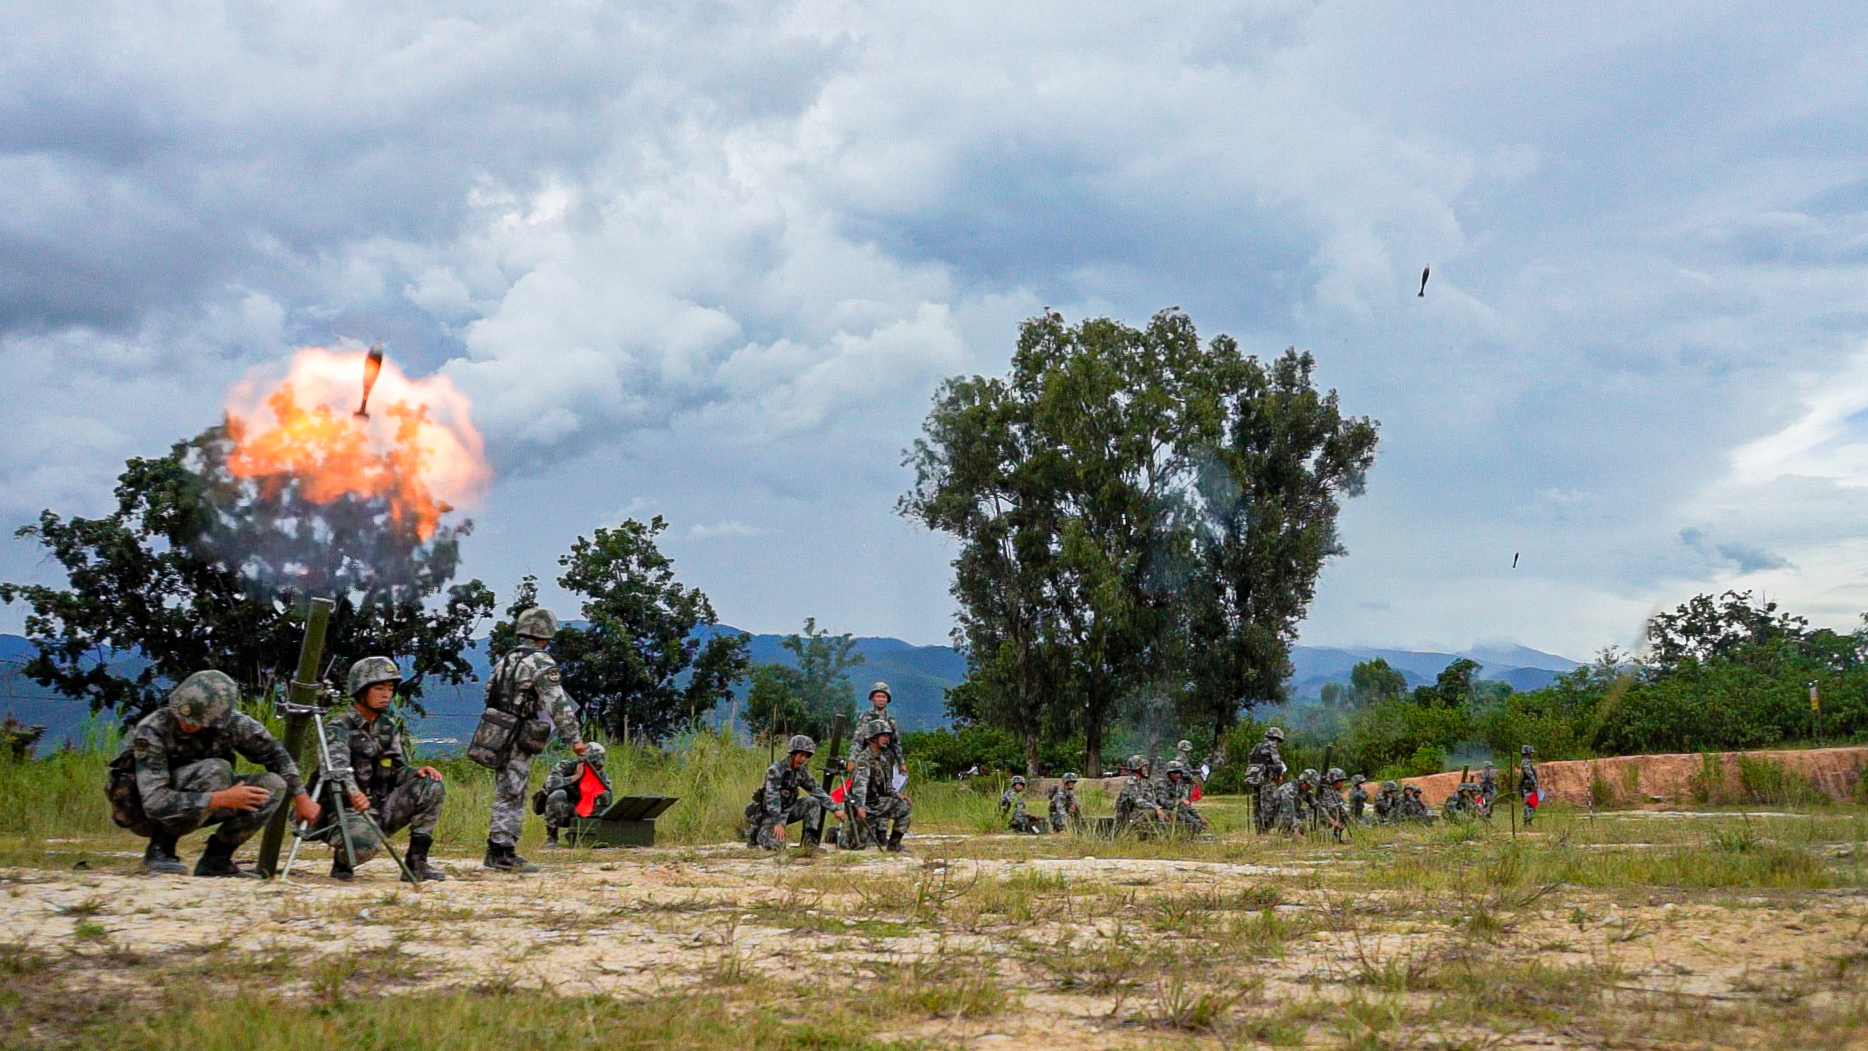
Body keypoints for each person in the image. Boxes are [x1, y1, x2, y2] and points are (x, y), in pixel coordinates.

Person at [107, 670, 320, 877]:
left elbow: (275, 755)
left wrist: (301, 798)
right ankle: (160, 850)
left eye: (196, 721)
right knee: (216, 770)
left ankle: (217, 859)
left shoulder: (233, 724)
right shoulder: (152, 730)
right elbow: (155, 802)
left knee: (273, 786)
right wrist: (222, 798)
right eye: (183, 717)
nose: (187, 724)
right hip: (145, 814)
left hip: (202, 799)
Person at [475, 607, 587, 873]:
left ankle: (499, 849)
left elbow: (488, 693)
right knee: (513, 791)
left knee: (507, 788)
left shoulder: (506, 659)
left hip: (495, 730)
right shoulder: (541, 662)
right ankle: (502, 852)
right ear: (544, 634)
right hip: (518, 732)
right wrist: (575, 739)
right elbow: (557, 704)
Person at [317, 657, 447, 882]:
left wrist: (416, 772)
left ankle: (417, 862)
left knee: (431, 785)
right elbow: (335, 770)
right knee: (363, 846)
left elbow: (397, 770)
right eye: (379, 688)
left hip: (379, 805)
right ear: (361, 690)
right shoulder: (339, 727)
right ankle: (343, 861)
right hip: (345, 809)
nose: (387, 694)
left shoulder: (387, 727)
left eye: (390, 688)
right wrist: (353, 791)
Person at [752, 734, 845, 851]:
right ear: (792, 753)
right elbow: (772, 797)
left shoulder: (801, 773)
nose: (803, 759)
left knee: (813, 802)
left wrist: (835, 809)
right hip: (770, 814)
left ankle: (809, 843)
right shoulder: (776, 770)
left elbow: (816, 790)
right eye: (801, 755)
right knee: (774, 847)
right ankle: (757, 835)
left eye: (806, 756)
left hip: (788, 811)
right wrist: (777, 822)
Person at [540, 742, 613, 847]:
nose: (595, 769)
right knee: (558, 794)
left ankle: (582, 834)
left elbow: (608, 801)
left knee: (602, 799)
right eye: (593, 765)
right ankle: (552, 836)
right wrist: (576, 776)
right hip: (564, 809)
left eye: (598, 766)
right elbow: (550, 785)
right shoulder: (565, 766)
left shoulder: (600, 775)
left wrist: (600, 792)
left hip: (582, 811)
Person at [849, 730, 911, 851]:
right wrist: (860, 807)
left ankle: (894, 844)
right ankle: (836, 835)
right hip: (864, 805)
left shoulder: (882, 759)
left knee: (904, 806)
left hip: (877, 803)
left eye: (887, 736)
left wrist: (897, 795)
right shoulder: (863, 759)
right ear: (872, 738)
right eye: (883, 736)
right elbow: (860, 786)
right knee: (858, 843)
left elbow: (886, 785)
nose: (886, 739)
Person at [850, 681, 904, 779]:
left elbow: (895, 743)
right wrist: (852, 759)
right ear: (872, 698)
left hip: (886, 760)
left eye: (884, 697)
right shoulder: (866, 717)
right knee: (861, 780)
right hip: (866, 757)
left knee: (885, 787)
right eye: (878, 696)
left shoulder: (890, 719)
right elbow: (858, 740)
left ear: (887, 699)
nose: (881, 699)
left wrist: (901, 763)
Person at [1245, 727, 1288, 834]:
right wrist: (1279, 775)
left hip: (1254, 780)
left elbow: (1250, 761)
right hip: (1266, 780)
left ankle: (1259, 830)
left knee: (1257, 806)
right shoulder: (1271, 745)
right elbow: (1277, 764)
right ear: (1276, 739)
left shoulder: (1256, 747)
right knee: (1269, 805)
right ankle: (1267, 828)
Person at [1115, 755, 1168, 836]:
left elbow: (1152, 799)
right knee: (1148, 813)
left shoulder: (1146, 783)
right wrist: (1155, 807)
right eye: (1143, 766)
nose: (1145, 768)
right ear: (1137, 768)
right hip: (1129, 816)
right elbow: (1138, 802)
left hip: (1142, 811)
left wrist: (1159, 807)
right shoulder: (1130, 783)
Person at [1162, 761, 1209, 834]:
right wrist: (1179, 801)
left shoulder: (1178, 784)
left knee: (1198, 823)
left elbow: (1186, 804)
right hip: (1164, 811)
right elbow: (1163, 802)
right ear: (1168, 773)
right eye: (1174, 773)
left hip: (1178, 810)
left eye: (1179, 773)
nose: (1177, 775)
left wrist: (1199, 816)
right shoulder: (1161, 784)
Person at [1315, 768, 1351, 842]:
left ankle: (1337, 836)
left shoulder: (1334, 792)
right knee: (1341, 812)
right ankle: (1325, 836)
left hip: (1328, 817)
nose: (1342, 784)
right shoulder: (1326, 792)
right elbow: (1332, 807)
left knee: (1344, 813)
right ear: (1335, 782)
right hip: (1323, 818)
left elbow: (1341, 803)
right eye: (1341, 781)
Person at [1520, 745, 1540, 827]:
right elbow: (1529, 773)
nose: (1532, 754)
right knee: (1529, 804)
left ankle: (1529, 821)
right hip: (1528, 785)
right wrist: (1534, 782)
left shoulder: (1527, 762)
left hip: (1529, 785)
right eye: (1531, 753)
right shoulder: (1526, 762)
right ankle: (1527, 821)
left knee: (1532, 803)